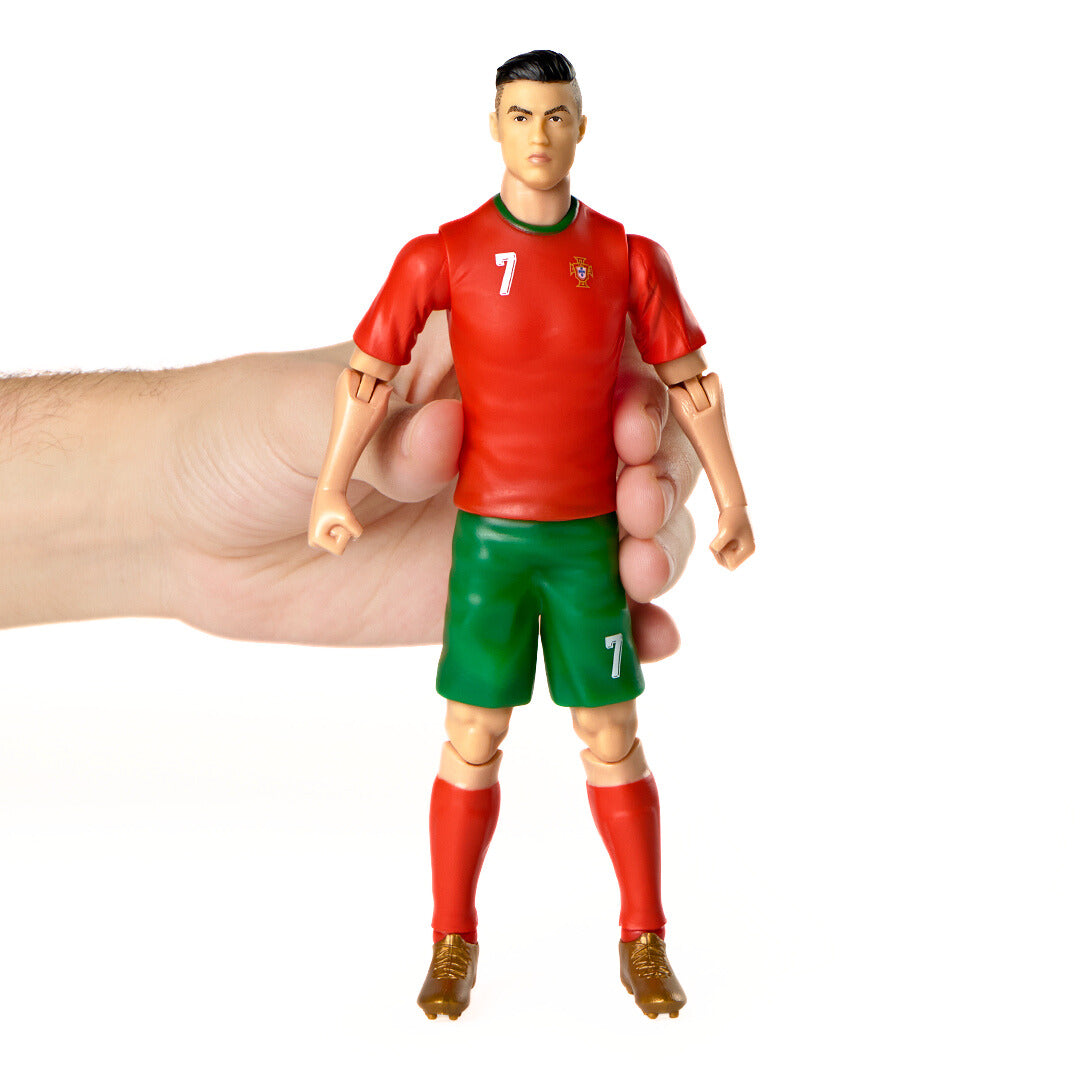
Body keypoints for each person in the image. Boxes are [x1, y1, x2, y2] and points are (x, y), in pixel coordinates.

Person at [309, 51, 755, 1020]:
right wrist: (331, 485)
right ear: (494, 125)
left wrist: (732, 498)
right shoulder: (444, 252)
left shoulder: (629, 255)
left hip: (587, 540)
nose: (539, 135)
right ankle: (452, 940)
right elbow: (367, 371)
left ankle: (644, 938)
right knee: (471, 735)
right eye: (521, 115)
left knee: (612, 734)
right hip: (490, 542)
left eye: (557, 116)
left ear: (582, 126)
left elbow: (691, 383)